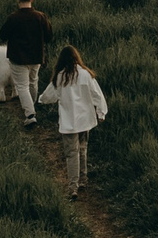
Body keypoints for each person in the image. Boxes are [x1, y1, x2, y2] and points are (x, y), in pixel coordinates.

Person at [38, 45, 109, 198]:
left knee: (72, 153)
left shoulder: (60, 77)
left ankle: (73, 187)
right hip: (85, 119)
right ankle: (83, 179)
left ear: (61, 60)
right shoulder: (85, 74)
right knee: (83, 148)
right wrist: (101, 112)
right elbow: (97, 95)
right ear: (77, 58)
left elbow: (48, 96)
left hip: (69, 122)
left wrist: (41, 100)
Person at [0, 0, 52, 129]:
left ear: (18, 0)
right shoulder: (40, 16)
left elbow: (2, 35)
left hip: (18, 58)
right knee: (33, 82)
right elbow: (49, 37)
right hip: (36, 57)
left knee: (22, 86)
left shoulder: (13, 18)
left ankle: (30, 115)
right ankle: (31, 108)